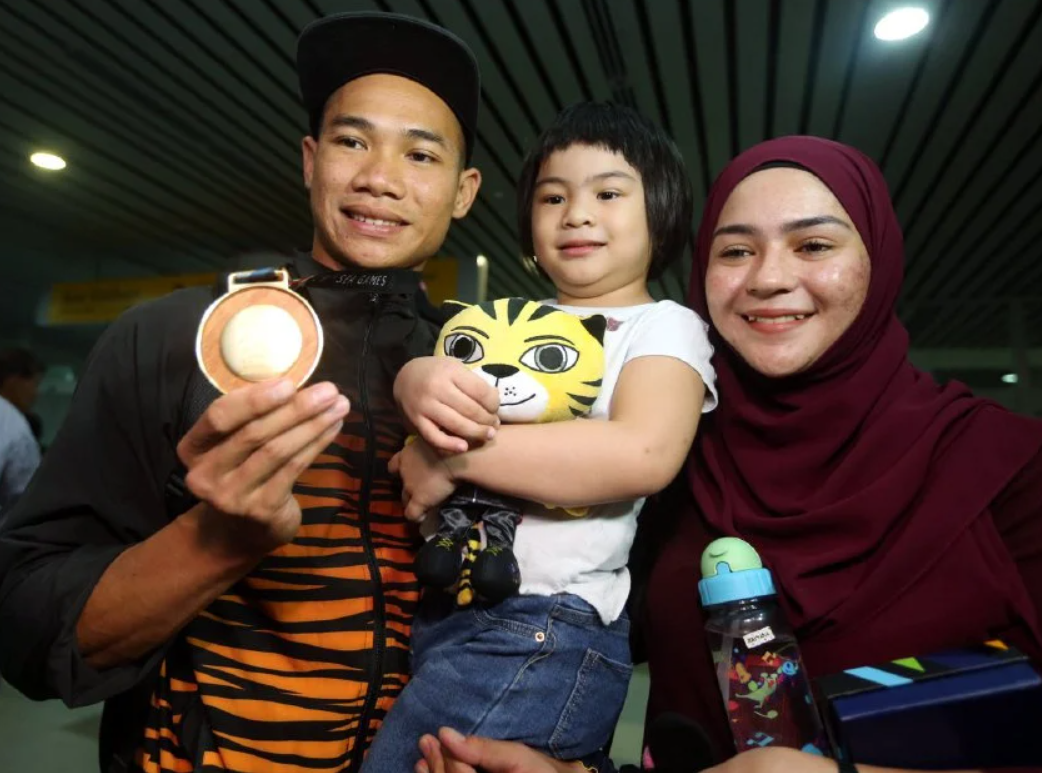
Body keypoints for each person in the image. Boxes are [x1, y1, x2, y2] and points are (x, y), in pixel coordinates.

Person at [413, 136, 1042, 773]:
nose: (769, 279)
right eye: (736, 250)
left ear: (878, 259)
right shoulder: (685, 463)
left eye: (814, 245)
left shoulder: (1004, 466)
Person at [0, 11, 482, 773]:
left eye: (421, 154)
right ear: (309, 159)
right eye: (352, 141)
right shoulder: (173, 337)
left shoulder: (485, 364)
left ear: (464, 191)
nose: (379, 178)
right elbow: (25, 625)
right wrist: (215, 540)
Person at [373, 102, 717, 772]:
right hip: (458, 610)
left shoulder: (662, 326)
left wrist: (455, 457)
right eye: (553, 196)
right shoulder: (514, 319)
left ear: (664, 212)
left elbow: (641, 453)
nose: (577, 213)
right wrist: (415, 378)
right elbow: (445, 374)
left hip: (544, 624)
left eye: (609, 193)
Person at [0, 346, 44, 516]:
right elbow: (27, 504)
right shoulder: (12, 425)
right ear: (14, 381)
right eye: (35, 384)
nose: (36, 393)